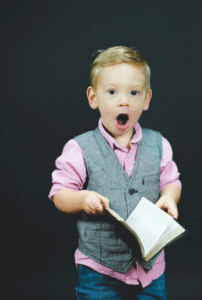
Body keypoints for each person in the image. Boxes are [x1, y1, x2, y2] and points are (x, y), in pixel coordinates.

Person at [48, 46, 182, 300]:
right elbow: (59, 194)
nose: (124, 101)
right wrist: (81, 199)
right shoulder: (79, 148)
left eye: (134, 92)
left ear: (147, 99)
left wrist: (170, 197)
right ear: (93, 98)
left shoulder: (159, 144)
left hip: (150, 269)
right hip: (99, 269)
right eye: (112, 92)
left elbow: (171, 181)